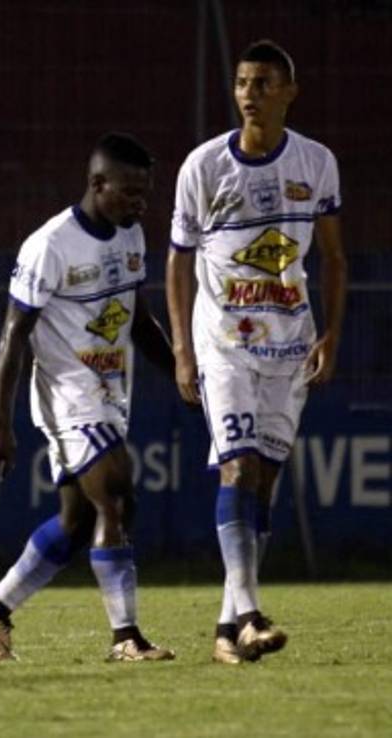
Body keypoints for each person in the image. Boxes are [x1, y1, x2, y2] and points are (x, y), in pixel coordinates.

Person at [0, 133, 178, 662]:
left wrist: (182, 370)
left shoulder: (130, 236)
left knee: (78, 521)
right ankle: (126, 638)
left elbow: (140, 320)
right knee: (118, 497)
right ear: (97, 184)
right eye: (130, 192)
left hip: (109, 393)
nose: (140, 204)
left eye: (145, 193)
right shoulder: (50, 245)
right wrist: (1, 421)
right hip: (68, 397)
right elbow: (13, 334)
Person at [166, 40, 347, 664]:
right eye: (243, 82)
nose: (250, 93)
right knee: (237, 468)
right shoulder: (203, 166)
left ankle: (227, 631)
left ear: (289, 92)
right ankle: (249, 614)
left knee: (264, 484)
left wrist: (331, 334)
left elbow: (334, 257)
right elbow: (177, 263)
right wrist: (183, 351)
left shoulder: (316, 163)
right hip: (225, 346)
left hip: (291, 346)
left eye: (264, 83)